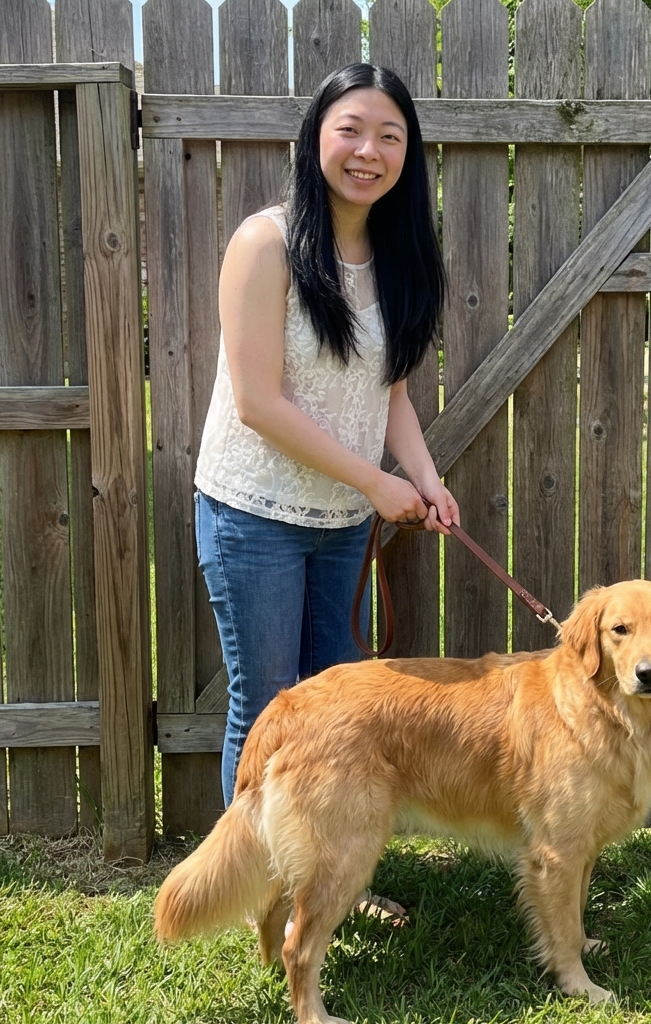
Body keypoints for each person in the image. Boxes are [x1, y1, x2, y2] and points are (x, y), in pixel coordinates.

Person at [193, 63, 459, 821]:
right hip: (253, 517)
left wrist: (425, 478)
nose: (367, 150)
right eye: (350, 129)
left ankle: (328, 876)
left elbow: (392, 392)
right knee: (269, 706)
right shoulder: (266, 243)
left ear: (408, 154)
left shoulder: (399, 260)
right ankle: (262, 892)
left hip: (341, 526)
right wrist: (375, 484)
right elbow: (257, 404)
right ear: (316, 136)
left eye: (389, 135)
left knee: (338, 711)